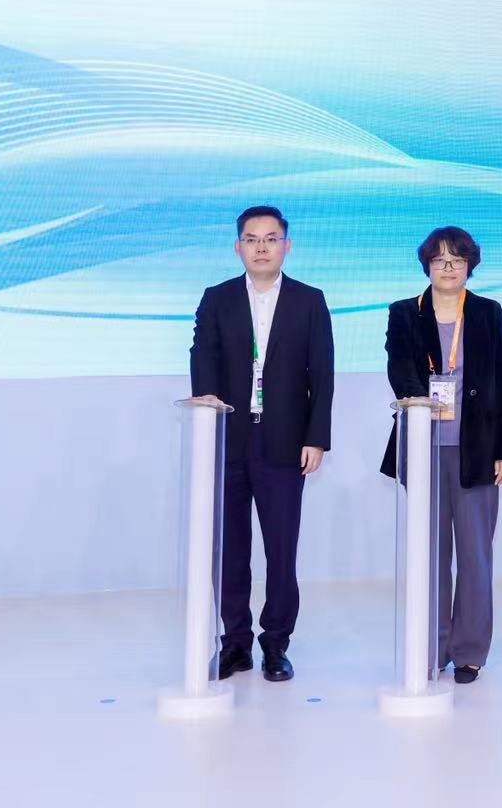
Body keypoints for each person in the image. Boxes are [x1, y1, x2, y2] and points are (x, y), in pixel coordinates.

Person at [189, 205, 334, 684]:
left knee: (281, 552)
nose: (261, 248)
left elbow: (322, 374)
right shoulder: (217, 298)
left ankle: (276, 644)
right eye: (251, 239)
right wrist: (208, 416)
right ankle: (235, 644)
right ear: (238, 248)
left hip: (285, 444)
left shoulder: (309, 300)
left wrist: (316, 438)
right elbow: (202, 356)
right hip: (229, 442)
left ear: (286, 246)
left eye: (271, 239)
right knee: (230, 551)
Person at [379, 226, 502, 684]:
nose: (448, 267)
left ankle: (469, 652)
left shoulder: (487, 312)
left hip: (477, 451)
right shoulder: (404, 312)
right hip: (423, 449)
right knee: (429, 555)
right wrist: (419, 399)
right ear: (427, 266)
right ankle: (431, 648)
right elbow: (399, 368)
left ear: (469, 266)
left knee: (475, 557)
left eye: (457, 260)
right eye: (439, 260)